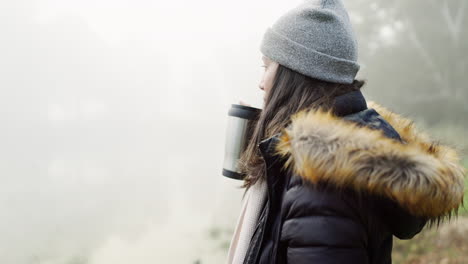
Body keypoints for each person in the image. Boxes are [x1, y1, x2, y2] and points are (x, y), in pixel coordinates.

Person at [225, 0, 467, 263]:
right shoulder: (333, 159)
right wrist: (260, 139)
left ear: (296, 74)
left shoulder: (321, 183)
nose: (261, 84)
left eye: (267, 66)